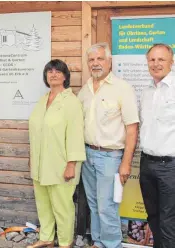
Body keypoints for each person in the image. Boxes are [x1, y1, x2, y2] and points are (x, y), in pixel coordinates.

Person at [78, 42, 139, 248]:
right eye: (91, 60)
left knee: (108, 207)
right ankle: (98, 242)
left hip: (110, 157)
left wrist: (126, 163)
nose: (95, 63)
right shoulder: (84, 91)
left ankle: (112, 244)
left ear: (109, 61)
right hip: (87, 155)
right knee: (94, 205)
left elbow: (132, 128)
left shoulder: (123, 88)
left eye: (100, 59)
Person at [27, 59, 86, 248]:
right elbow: (36, 131)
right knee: (43, 204)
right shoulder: (43, 99)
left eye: (58, 71)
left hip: (61, 165)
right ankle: (46, 238)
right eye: (49, 71)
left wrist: (71, 164)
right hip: (40, 163)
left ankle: (65, 242)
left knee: (63, 207)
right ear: (45, 76)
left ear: (65, 76)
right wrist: (31, 157)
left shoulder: (71, 102)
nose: (53, 74)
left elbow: (76, 134)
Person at [139, 43, 175, 248]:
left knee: (170, 221)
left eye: (161, 59)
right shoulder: (146, 92)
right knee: (153, 218)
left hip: (170, 166)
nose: (156, 63)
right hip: (147, 164)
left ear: (172, 62)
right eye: (152, 59)